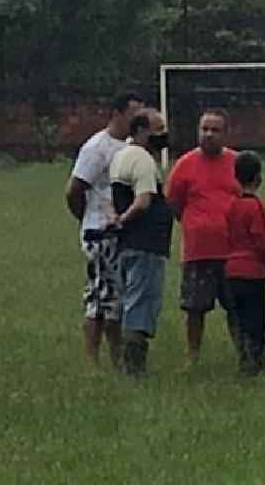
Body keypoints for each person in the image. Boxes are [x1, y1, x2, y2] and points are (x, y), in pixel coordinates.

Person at [65, 91, 143, 371]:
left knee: (116, 301)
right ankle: (92, 362)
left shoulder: (132, 147)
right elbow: (74, 190)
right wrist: (88, 220)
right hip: (100, 233)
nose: (139, 120)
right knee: (98, 298)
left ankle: (117, 359)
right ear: (117, 114)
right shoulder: (97, 147)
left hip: (122, 232)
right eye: (134, 115)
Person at [166, 109, 242, 365]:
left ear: (226, 133)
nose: (209, 134)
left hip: (233, 252)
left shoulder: (237, 163)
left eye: (215, 130)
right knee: (195, 308)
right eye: (204, 129)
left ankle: (245, 355)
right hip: (198, 251)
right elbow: (174, 203)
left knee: (237, 308)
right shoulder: (184, 165)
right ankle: (193, 358)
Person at [108, 109, 173, 376]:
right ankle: (134, 367)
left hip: (126, 244)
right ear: (141, 131)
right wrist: (124, 218)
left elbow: (112, 197)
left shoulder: (119, 157)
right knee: (141, 302)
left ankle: (124, 362)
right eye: (158, 130)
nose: (163, 135)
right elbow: (144, 200)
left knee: (126, 299)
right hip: (147, 243)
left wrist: (117, 220)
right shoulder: (143, 160)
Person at [224, 151, 265, 376]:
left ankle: (244, 359)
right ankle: (256, 362)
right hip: (254, 273)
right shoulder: (257, 208)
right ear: (259, 178)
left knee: (239, 319)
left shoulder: (231, 206)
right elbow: (263, 242)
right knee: (256, 319)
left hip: (231, 272)